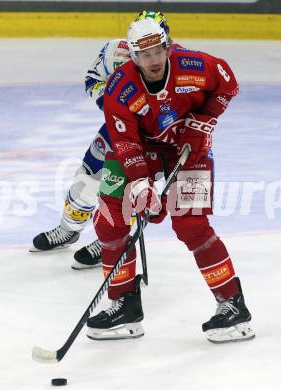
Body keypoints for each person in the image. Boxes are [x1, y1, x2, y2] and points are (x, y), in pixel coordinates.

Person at [86, 18, 255, 343]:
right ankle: (124, 305)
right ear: (133, 55)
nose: (152, 59)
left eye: (157, 50)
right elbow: (123, 141)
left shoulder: (196, 65)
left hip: (191, 149)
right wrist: (139, 182)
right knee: (109, 218)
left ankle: (233, 306)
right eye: (143, 53)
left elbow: (228, 85)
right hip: (142, 147)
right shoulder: (120, 87)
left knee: (191, 225)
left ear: (167, 46)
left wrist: (203, 121)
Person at [30, 11, 170, 270]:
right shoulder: (115, 51)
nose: (150, 51)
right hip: (115, 130)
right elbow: (92, 79)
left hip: (155, 142)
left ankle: (108, 242)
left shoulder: (177, 63)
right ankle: (67, 230)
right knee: (86, 179)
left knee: (128, 194)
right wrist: (115, 106)